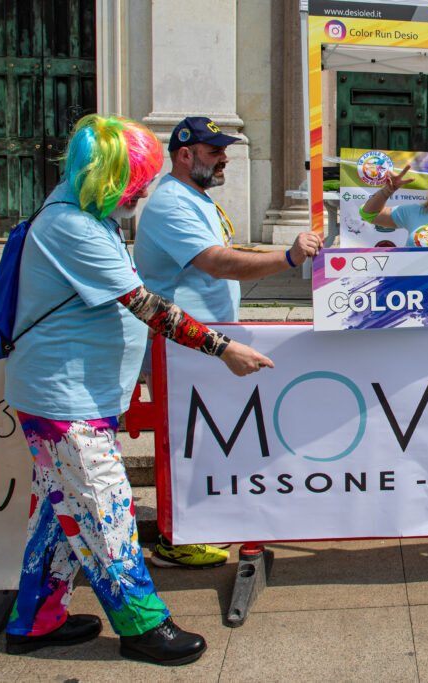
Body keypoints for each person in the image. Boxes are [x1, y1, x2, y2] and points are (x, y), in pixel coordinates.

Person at [2, 115, 273, 665]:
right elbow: (146, 305)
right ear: (105, 177)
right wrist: (224, 348)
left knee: (60, 514)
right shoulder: (73, 227)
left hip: (74, 394)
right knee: (107, 512)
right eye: (135, 180)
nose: (144, 191)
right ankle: (144, 626)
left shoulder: (82, 213)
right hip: (65, 400)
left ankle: (35, 620)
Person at [133, 116, 321, 568]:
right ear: (184, 155)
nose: (225, 160)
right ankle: (176, 540)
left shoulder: (194, 198)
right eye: (215, 152)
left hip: (204, 344)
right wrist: (288, 257)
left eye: (224, 151)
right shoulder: (171, 203)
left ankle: (196, 524)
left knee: (202, 439)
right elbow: (217, 263)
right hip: (181, 346)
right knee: (185, 440)